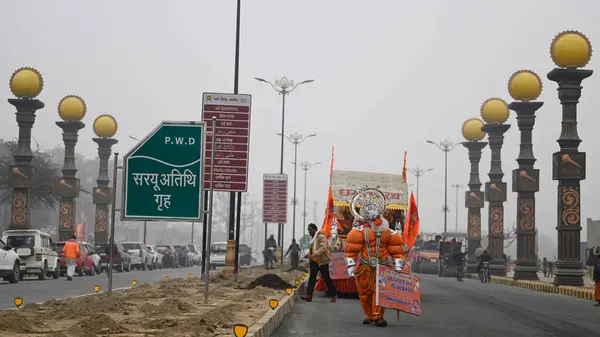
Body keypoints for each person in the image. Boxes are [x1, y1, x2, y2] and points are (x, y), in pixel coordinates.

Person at [344, 200, 405, 327]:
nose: (375, 219)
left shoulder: (389, 232)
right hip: (364, 267)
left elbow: (396, 250)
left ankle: (378, 316)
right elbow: (352, 250)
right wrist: (350, 266)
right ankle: (369, 315)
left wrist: (398, 265)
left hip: (382, 266)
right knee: (364, 294)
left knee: (380, 292)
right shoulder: (359, 232)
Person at [301, 223, 337, 303]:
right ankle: (309, 296)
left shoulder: (321, 236)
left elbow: (323, 248)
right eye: (308, 230)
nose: (309, 232)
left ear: (315, 229)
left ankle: (333, 295)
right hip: (314, 261)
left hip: (322, 261)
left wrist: (314, 254)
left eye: (310, 230)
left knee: (326, 279)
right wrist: (309, 255)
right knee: (312, 278)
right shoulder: (313, 238)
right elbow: (313, 249)